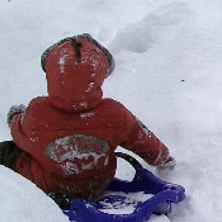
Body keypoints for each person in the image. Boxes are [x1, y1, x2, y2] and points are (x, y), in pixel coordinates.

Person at [2, 34, 174, 205]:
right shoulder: (114, 113)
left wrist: (15, 118)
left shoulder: (37, 112)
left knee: (8, 150)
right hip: (96, 184)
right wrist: (163, 158)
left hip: (48, 185)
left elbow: (20, 136)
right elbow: (142, 139)